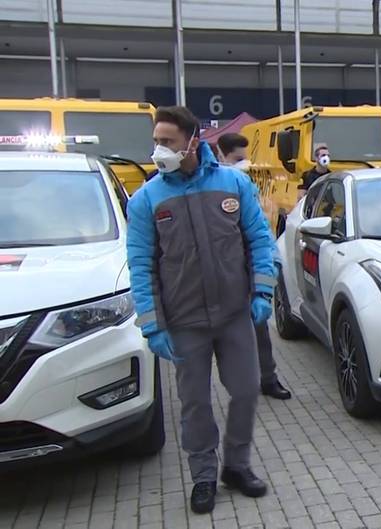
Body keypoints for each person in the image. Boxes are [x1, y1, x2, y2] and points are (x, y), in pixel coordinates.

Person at [126, 106, 276, 514]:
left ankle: (237, 465)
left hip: (234, 315)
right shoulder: (147, 200)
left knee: (246, 390)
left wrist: (262, 293)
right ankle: (204, 475)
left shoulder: (233, 185)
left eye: (168, 142)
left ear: (192, 141)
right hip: (183, 321)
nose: (160, 149)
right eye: (157, 141)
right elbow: (141, 265)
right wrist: (152, 325)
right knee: (194, 403)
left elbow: (260, 241)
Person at [216, 133, 292, 401]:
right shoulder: (214, 189)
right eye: (237, 159)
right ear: (221, 157)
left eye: (247, 158)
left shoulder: (250, 185)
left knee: (260, 330)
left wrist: (270, 265)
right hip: (223, 273)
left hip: (250, 267)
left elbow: (260, 230)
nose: (244, 164)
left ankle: (268, 379)